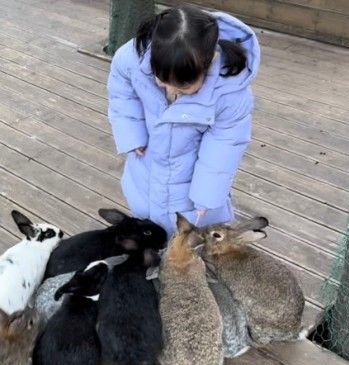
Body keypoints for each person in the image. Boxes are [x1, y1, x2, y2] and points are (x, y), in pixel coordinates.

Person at [107, 4, 260, 236]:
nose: (172, 90)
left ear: (208, 63)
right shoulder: (132, 59)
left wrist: (206, 195)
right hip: (147, 165)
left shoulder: (230, 93)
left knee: (191, 234)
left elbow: (225, 146)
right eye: (162, 79)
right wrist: (131, 132)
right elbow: (121, 91)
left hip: (190, 181)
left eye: (184, 85)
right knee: (147, 221)